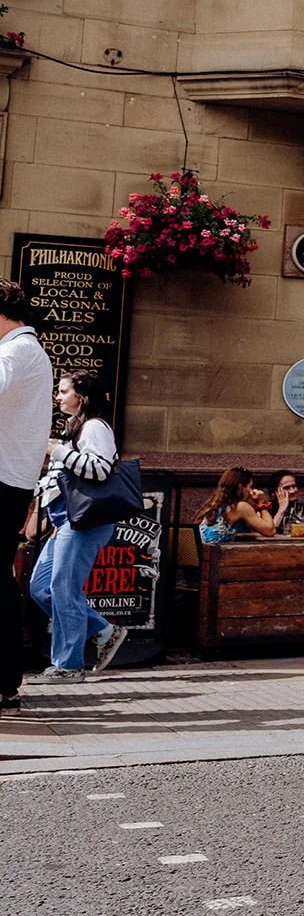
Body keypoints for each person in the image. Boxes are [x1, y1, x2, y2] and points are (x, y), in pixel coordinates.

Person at [27, 372, 126, 681]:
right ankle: (103, 629)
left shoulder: (95, 427)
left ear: (81, 396)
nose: (58, 397)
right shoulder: (75, 428)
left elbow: (99, 470)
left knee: (64, 588)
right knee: (41, 588)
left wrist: (56, 451)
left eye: (63, 391)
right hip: (65, 520)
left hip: (84, 521)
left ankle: (68, 665)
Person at [0, 279, 52, 713]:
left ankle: (4, 680)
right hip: (11, 479)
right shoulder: (28, 350)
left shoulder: (15, 352)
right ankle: (5, 681)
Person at [196, 467, 277, 541]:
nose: (251, 491)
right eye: (250, 486)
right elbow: (270, 531)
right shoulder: (241, 507)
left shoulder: (216, 504)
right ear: (241, 487)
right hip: (215, 555)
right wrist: (261, 502)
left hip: (200, 553)